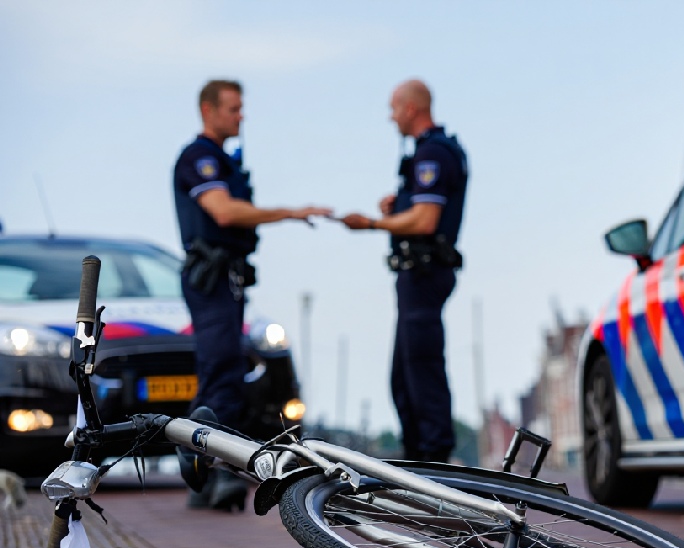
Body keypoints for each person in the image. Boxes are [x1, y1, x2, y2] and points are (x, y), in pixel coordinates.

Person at [173, 79, 331, 510]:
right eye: (233, 109)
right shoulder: (199, 158)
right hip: (213, 277)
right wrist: (291, 213)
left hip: (227, 277)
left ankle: (201, 473)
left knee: (219, 374)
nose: (241, 116)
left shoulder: (222, 159)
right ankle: (220, 471)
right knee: (223, 372)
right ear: (208, 110)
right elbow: (223, 211)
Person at [341, 79, 468, 463]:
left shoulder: (432, 152)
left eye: (394, 107)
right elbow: (420, 211)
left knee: (421, 369)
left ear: (411, 108)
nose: (391, 116)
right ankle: (419, 457)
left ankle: (434, 462)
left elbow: (426, 220)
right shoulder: (432, 152)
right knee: (404, 375)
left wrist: (372, 224)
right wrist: (396, 211)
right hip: (418, 276)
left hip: (424, 274)